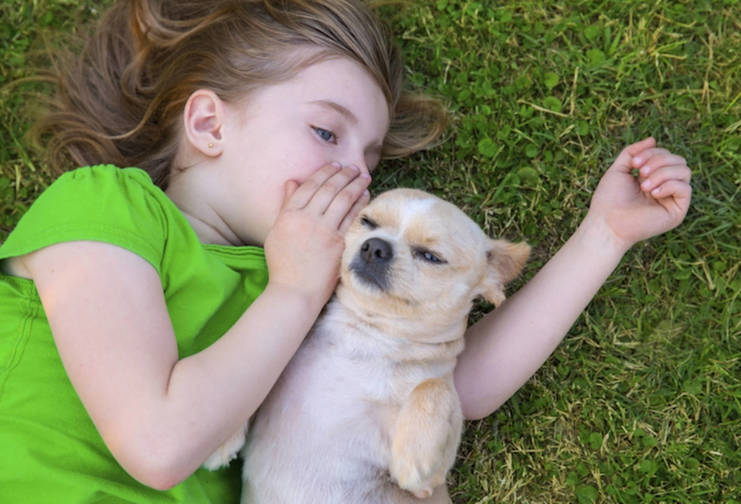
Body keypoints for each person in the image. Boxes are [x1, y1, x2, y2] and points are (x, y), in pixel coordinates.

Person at [0, 0, 691, 502]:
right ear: (210, 124)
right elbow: (156, 443)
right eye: (328, 133)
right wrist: (293, 292)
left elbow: (458, 380)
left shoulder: (318, 275)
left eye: (370, 158)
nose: (358, 176)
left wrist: (605, 235)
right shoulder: (104, 207)